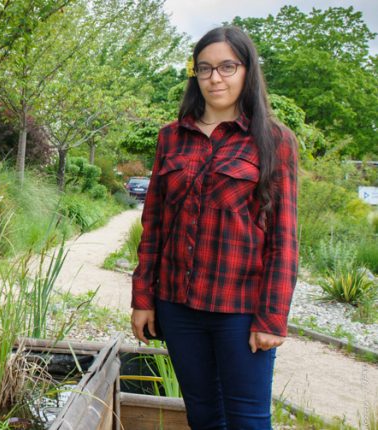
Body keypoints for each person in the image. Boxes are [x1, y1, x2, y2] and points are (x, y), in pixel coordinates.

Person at [130, 26, 298, 429]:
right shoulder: (171, 138)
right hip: (178, 307)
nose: (215, 78)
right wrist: (143, 298)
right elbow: (153, 226)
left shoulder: (274, 140)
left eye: (227, 66)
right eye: (204, 68)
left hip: (240, 310)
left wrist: (272, 317)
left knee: (249, 421)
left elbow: (284, 239)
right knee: (203, 417)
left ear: (247, 71)